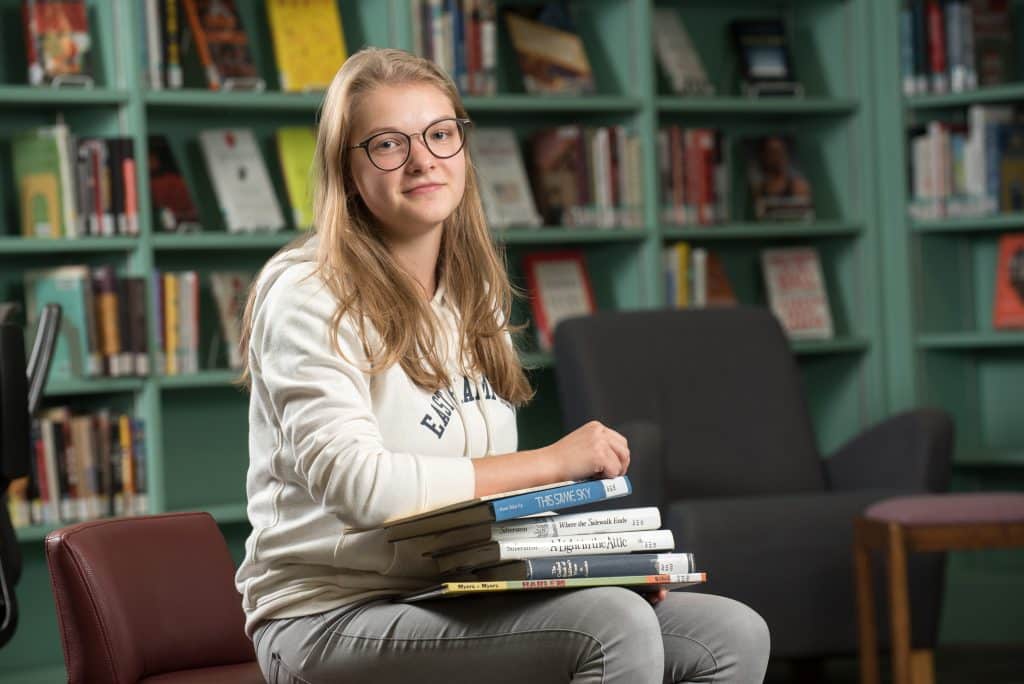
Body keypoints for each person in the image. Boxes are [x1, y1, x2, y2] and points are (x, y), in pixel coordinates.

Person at [235, 47, 770, 683]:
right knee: (611, 628)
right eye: (387, 144)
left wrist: (592, 569)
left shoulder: (472, 290)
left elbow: (481, 500)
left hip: (457, 592)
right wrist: (555, 462)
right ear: (346, 170)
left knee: (731, 635)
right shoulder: (309, 292)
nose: (423, 159)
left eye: (439, 134)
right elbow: (363, 489)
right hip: (325, 618)